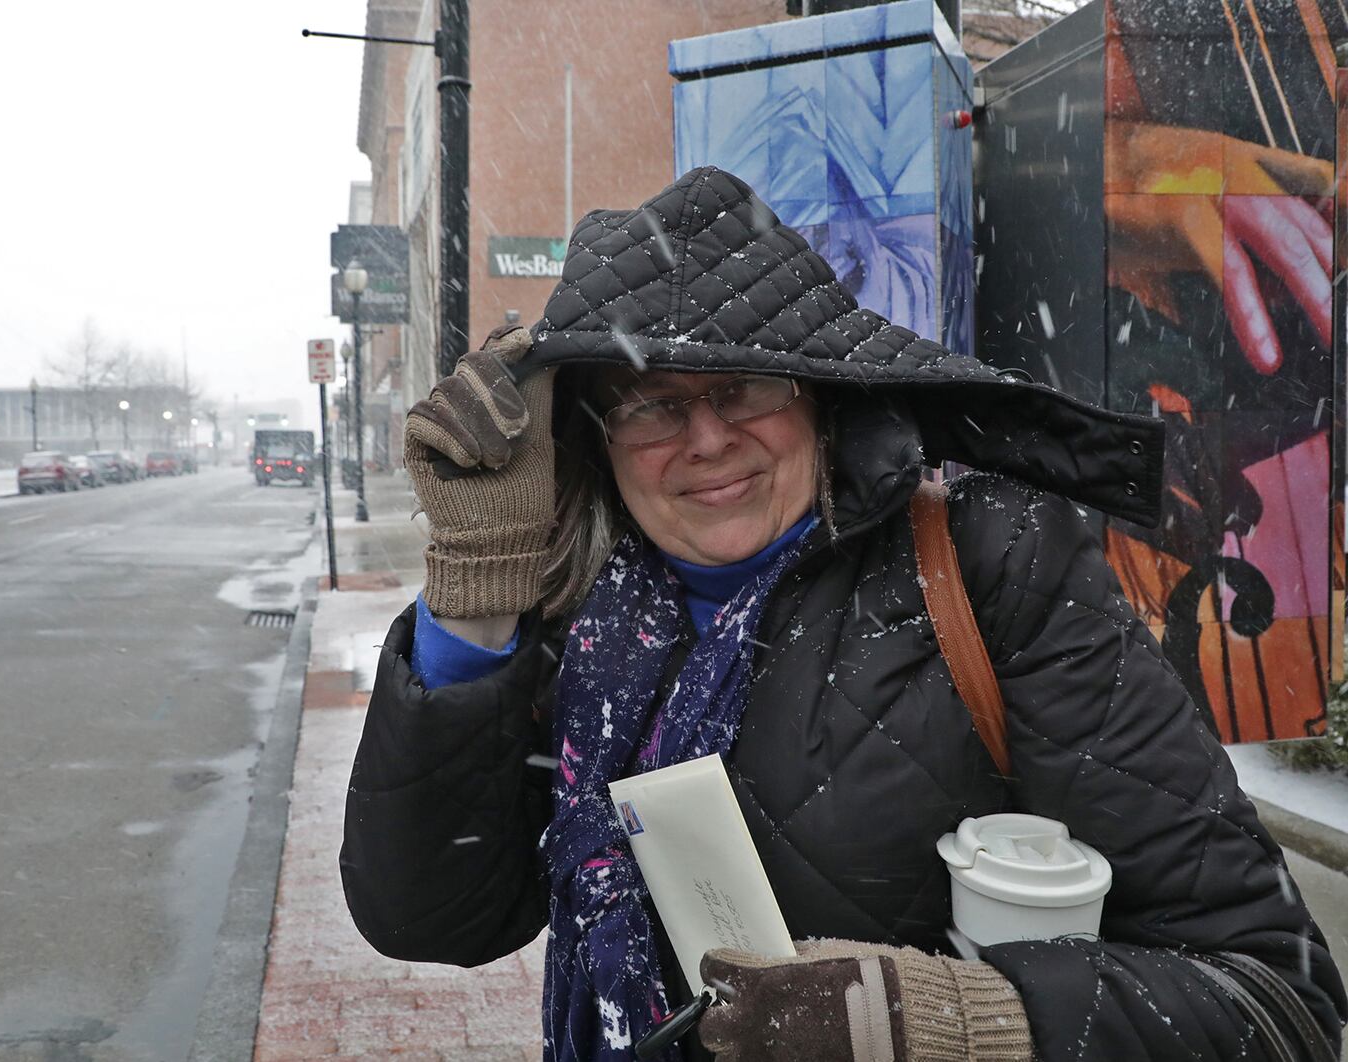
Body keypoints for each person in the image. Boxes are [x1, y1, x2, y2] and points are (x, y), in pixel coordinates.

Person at [340, 167, 1346, 1061]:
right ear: (599, 439)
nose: (705, 438)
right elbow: (431, 916)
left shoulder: (995, 567)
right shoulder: (582, 623)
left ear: (819, 396)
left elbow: (1271, 999)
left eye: (741, 387)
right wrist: (474, 595)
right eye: (649, 404)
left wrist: (946, 1021)